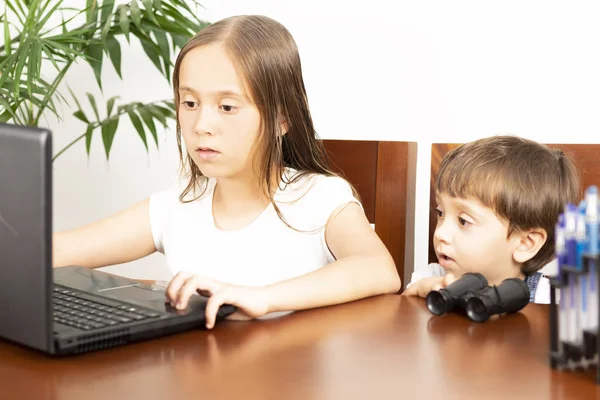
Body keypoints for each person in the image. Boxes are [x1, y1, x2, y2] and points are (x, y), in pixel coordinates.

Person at [53, 15, 401, 329]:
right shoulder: (178, 206)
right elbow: (55, 251)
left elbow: (378, 268)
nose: (202, 125)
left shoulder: (318, 199)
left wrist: (261, 297)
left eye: (227, 106)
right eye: (190, 103)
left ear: (282, 118)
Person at [403, 135, 580, 304]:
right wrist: (416, 294)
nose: (441, 233)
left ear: (525, 243)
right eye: (440, 213)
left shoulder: (547, 298)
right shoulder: (429, 279)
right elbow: (398, 323)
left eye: (463, 221)